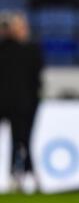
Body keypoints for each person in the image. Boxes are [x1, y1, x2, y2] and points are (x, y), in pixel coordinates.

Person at [0, 11, 43, 192]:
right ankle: (20, 175)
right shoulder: (6, 49)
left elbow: (36, 78)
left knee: (22, 140)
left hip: (24, 105)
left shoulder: (31, 50)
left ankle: (23, 174)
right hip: (7, 102)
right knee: (19, 140)